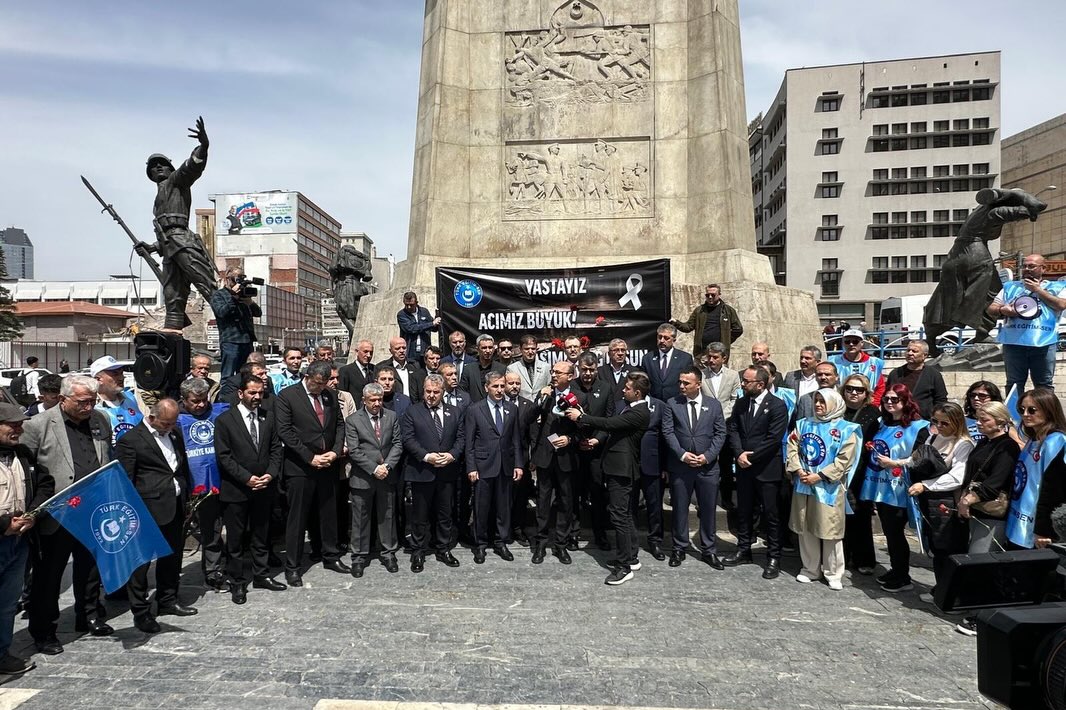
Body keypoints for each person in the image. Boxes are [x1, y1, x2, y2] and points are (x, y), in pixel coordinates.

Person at [21, 376, 112, 654]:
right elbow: (28, 469)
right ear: (63, 399)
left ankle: (90, 614)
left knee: (90, 568)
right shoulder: (38, 425)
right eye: (83, 402)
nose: (89, 407)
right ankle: (44, 630)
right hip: (58, 513)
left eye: (92, 401)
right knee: (49, 575)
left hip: (93, 509)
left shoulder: (100, 420)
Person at [117, 399, 197, 633]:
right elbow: (126, 480)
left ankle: (168, 599)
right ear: (152, 417)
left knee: (172, 556)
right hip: (146, 508)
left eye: (173, 423)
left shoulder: (174, 435)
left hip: (174, 504)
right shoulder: (131, 440)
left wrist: (188, 496)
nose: (169, 427)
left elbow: (180, 467)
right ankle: (141, 612)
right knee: (141, 564)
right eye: (165, 423)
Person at [566, 372, 652, 585]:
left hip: (622, 471)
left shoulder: (639, 412)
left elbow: (610, 423)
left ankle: (624, 566)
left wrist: (582, 417)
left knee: (619, 517)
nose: (623, 390)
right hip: (617, 468)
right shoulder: (631, 407)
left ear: (637, 392)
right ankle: (630, 557)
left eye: (627, 388)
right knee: (625, 515)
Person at [274, 361, 348, 586]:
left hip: (327, 464)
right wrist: (309, 457)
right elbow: (285, 431)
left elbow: (339, 425)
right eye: (317, 383)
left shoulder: (329, 395)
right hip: (300, 467)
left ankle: (330, 555)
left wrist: (335, 452)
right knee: (298, 518)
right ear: (308, 377)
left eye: (324, 383)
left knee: (328, 513)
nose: (320, 388)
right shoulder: (288, 396)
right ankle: (293, 566)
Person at [214, 373, 286, 604]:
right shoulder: (225, 420)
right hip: (237, 490)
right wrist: (247, 478)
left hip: (264, 487)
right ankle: (237, 581)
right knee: (235, 541)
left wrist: (270, 474)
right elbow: (224, 457)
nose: (256, 397)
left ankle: (261, 574)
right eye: (252, 393)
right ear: (240, 393)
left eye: (260, 393)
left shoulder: (269, 417)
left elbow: (276, 450)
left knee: (261, 534)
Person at [142, 117, 219, 331]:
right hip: (168, 247)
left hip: (182, 241)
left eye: (162, 165)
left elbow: (191, 167)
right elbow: (164, 233)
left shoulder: (176, 181)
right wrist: (152, 247)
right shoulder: (159, 198)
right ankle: (173, 335)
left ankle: (232, 324)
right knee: (172, 296)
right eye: (153, 167)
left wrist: (203, 146)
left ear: (170, 169)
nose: (158, 168)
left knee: (204, 282)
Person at [954, 401, 1021, 636]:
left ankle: (980, 617)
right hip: (976, 509)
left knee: (982, 562)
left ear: (1001, 421)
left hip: (990, 512)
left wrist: (968, 499)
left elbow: (997, 481)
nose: (980, 424)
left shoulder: (1008, 447)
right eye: (979, 419)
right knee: (977, 559)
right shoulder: (986, 441)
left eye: (985, 420)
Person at [786, 388, 861, 591]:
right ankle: (810, 568)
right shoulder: (803, 424)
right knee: (805, 526)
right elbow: (792, 447)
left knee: (830, 530)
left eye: (822, 401)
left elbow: (844, 459)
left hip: (829, 486)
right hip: (804, 483)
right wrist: (799, 470)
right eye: (816, 401)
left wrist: (819, 475)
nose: (818, 405)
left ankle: (833, 572)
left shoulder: (847, 429)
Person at [858, 384, 930, 593]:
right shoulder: (881, 423)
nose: (889, 403)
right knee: (890, 532)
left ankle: (902, 576)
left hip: (901, 487)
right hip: (879, 485)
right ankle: (897, 570)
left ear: (905, 402)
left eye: (895, 399)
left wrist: (896, 463)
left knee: (896, 533)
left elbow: (921, 457)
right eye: (886, 399)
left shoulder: (919, 427)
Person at [0, 402, 52, 677]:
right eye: (13, 425)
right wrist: (2, 525)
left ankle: (2, 653)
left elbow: (46, 484)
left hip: (19, 542)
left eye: (21, 424)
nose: (19, 429)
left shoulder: (22, 454)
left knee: (7, 604)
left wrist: (34, 513)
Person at [723, 366, 789, 579]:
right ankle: (744, 549)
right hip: (743, 468)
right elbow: (733, 429)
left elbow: (773, 438)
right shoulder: (742, 403)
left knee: (771, 514)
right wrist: (739, 453)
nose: (742, 384)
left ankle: (773, 556)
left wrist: (751, 456)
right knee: (744, 510)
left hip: (766, 468)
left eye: (746, 381)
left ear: (760, 384)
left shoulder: (777, 406)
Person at [662, 367, 726, 570]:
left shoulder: (713, 405)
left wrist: (707, 457)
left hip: (707, 468)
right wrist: (682, 454)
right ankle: (679, 547)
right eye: (680, 382)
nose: (681, 386)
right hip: (681, 466)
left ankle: (709, 550)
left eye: (686, 383)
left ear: (698, 384)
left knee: (708, 510)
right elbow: (668, 432)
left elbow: (720, 433)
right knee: (680, 508)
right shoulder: (672, 404)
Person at [906, 402, 972, 597]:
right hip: (928, 499)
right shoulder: (933, 437)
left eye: (945, 423)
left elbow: (957, 477)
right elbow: (915, 459)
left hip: (946, 500)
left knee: (948, 547)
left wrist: (925, 485)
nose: (939, 427)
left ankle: (950, 593)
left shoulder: (963, 444)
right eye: (936, 421)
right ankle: (940, 588)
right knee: (935, 546)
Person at [401, 375, 464, 572]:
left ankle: (443, 548)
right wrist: (426, 457)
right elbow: (408, 439)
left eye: (436, 392)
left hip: (446, 472)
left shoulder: (454, 412)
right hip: (422, 472)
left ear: (443, 392)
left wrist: (452, 455)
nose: (431, 395)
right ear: (423, 390)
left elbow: (461, 437)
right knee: (420, 515)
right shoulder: (413, 411)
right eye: (428, 391)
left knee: (445, 514)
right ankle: (418, 551)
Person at [530, 361, 587, 564]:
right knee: (543, 501)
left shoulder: (580, 398)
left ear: (570, 376)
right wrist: (534, 453)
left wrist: (571, 439)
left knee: (565, 501)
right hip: (545, 456)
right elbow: (533, 422)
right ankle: (541, 543)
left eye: (558, 372)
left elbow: (585, 428)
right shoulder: (545, 393)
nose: (553, 375)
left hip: (567, 457)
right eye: (552, 372)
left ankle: (561, 545)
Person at [465, 371, 524, 564]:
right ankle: (480, 544)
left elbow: (516, 438)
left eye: (501, 386)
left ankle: (501, 541)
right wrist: (471, 467)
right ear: (486, 388)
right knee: (481, 508)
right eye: (495, 386)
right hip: (483, 466)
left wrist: (518, 464)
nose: (499, 390)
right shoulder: (475, 409)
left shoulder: (511, 409)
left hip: (505, 466)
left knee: (503, 507)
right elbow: (470, 442)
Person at [176, 377, 229, 591]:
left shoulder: (220, 412)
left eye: (203, 400)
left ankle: (214, 570)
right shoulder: (176, 419)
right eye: (194, 401)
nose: (200, 405)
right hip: (191, 486)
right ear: (183, 400)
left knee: (214, 530)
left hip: (221, 481)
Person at [346, 383, 403, 577]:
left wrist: (387, 466)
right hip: (363, 478)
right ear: (364, 400)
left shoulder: (391, 416)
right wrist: (374, 469)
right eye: (373, 400)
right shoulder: (353, 420)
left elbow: (397, 444)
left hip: (386, 476)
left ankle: (388, 553)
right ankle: (359, 557)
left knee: (387, 515)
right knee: (360, 518)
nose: (377, 403)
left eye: (379, 399)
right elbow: (354, 450)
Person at [989, 254, 1066, 394]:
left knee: (1044, 384)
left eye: (1032, 266)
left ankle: (1045, 415)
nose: (1027, 269)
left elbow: (1061, 304)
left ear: (1043, 268)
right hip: (1014, 344)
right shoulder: (1010, 287)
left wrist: (1038, 290)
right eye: (1024, 266)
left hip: (1044, 343)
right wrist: (1003, 310)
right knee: (1013, 384)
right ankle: (1015, 414)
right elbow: (991, 308)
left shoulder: (1057, 287)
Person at [1005, 388, 1066, 551]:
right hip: (1016, 525)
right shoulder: (1033, 441)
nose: (1025, 414)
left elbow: (1055, 491)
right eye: (1021, 409)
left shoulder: (1057, 442)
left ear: (1048, 410)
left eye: (1032, 410)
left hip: (1037, 532)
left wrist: (1045, 530)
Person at [840, 374, 881, 575]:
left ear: (866, 393)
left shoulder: (873, 413)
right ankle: (844, 557)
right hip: (840, 470)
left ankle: (864, 558)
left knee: (862, 514)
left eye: (859, 390)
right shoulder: (838, 410)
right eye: (849, 388)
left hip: (862, 471)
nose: (854, 393)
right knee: (841, 515)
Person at [209, 266, 261, 379]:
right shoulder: (219, 295)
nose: (239, 282)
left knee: (245, 375)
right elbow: (221, 313)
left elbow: (258, 313)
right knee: (228, 375)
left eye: (242, 278)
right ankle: (226, 396)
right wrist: (233, 297)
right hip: (231, 341)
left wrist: (250, 303)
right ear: (228, 279)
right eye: (236, 279)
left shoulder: (244, 294)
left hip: (247, 341)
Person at [670, 284, 744, 360]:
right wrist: (676, 322)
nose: (710, 297)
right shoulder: (699, 311)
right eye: (707, 295)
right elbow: (688, 327)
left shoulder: (728, 311)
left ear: (719, 295)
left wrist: (726, 341)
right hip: (702, 353)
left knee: (719, 372)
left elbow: (738, 329)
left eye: (713, 295)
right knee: (701, 371)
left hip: (719, 354)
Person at [886, 341, 947, 420]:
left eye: (914, 351)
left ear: (924, 355)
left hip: (924, 421)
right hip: (898, 421)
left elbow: (941, 401)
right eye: (908, 350)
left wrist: (935, 422)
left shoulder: (934, 375)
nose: (910, 353)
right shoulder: (895, 374)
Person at [92, 356, 142, 444]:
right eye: (115, 374)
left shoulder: (130, 398)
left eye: (121, 373)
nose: (121, 378)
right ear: (99, 379)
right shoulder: (92, 407)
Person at [829, 330, 886, 406]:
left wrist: (874, 405)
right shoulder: (833, 361)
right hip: (840, 406)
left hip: (867, 406)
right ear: (843, 343)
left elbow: (880, 387)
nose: (851, 344)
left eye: (855, 341)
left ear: (862, 343)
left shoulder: (874, 363)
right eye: (847, 342)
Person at [641, 323, 693, 401]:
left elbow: (688, 383)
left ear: (674, 340)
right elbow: (644, 383)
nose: (662, 341)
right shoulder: (647, 358)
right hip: (654, 404)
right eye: (660, 337)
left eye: (666, 338)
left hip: (677, 403)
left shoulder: (685, 358)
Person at [396, 291, 440, 365]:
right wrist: (432, 324)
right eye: (406, 305)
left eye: (411, 305)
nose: (409, 307)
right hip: (410, 352)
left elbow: (434, 329)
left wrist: (437, 320)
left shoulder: (424, 312)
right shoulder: (402, 314)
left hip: (425, 350)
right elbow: (411, 329)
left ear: (416, 302)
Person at [377, 337, 425, 402]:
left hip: (413, 406)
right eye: (397, 348)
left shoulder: (415, 365)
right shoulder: (382, 367)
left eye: (404, 348)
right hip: (393, 406)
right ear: (390, 351)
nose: (402, 351)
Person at [460, 334, 505, 402]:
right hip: (474, 408)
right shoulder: (468, 369)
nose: (487, 351)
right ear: (477, 349)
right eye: (484, 348)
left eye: (490, 347)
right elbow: (462, 391)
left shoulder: (501, 368)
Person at [507, 334, 550, 400]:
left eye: (533, 349)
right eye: (527, 349)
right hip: (521, 408)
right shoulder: (512, 368)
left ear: (536, 349)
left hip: (541, 407)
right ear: (520, 349)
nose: (530, 352)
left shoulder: (546, 367)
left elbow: (549, 387)